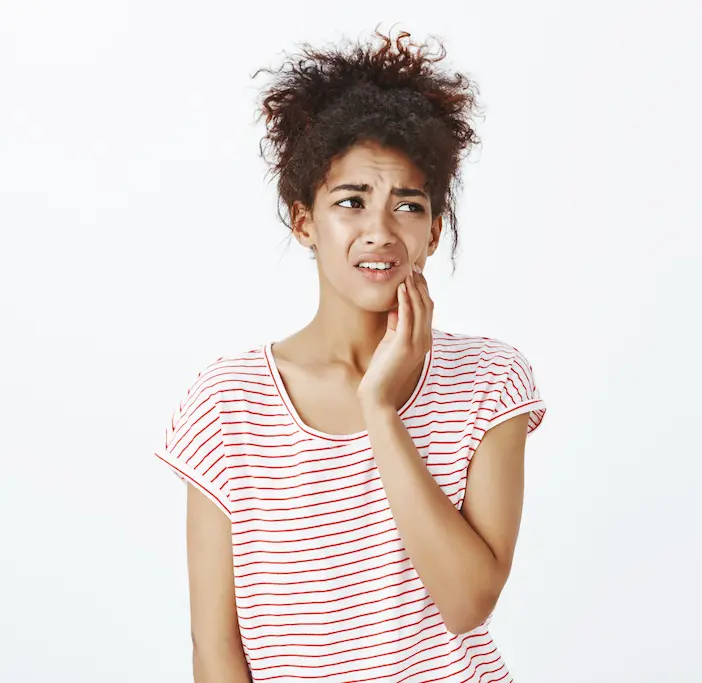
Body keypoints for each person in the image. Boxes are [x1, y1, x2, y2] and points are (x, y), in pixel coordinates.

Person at [154, 29, 547, 683]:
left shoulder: (490, 381)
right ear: (304, 220)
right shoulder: (228, 404)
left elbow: (466, 601)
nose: (379, 231)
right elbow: (217, 649)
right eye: (351, 201)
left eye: (408, 205)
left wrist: (381, 412)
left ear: (433, 231)